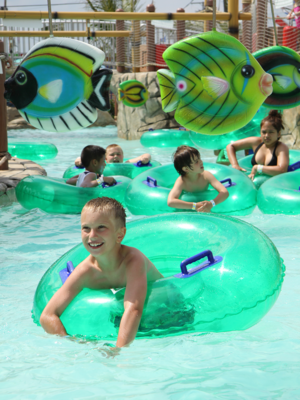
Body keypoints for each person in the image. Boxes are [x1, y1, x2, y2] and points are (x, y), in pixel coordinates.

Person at [39, 197, 164, 348]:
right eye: (86, 228)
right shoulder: (85, 271)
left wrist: (118, 351)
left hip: (165, 308)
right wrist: (73, 344)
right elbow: (47, 315)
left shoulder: (133, 260)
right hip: (123, 315)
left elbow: (133, 309)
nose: (92, 235)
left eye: (101, 227)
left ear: (120, 234)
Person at [226, 110, 289, 181]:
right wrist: (235, 165)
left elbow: (282, 170)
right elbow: (230, 146)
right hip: (255, 184)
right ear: (260, 132)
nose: (267, 136)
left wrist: (258, 168)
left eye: (271, 132)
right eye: (264, 132)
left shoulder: (281, 148)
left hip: (273, 184)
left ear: (279, 134)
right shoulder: (256, 142)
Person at [167, 146, 229, 212]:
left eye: (199, 158)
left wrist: (211, 204)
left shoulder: (206, 176)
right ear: (186, 169)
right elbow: (171, 201)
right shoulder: (182, 181)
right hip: (187, 208)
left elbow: (224, 192)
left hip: (205, 206)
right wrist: (194, 206)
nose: (201, 162)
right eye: (196, 161)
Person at [74, 144, 151, 167]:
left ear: (123, 156)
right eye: (112, 155)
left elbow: (146, 155)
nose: (116, 156)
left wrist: (145, 158)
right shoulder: (102, 165)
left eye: (118, 154)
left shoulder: (126, 163)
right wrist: (80, 161)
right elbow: (80, 158)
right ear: (105, 159)